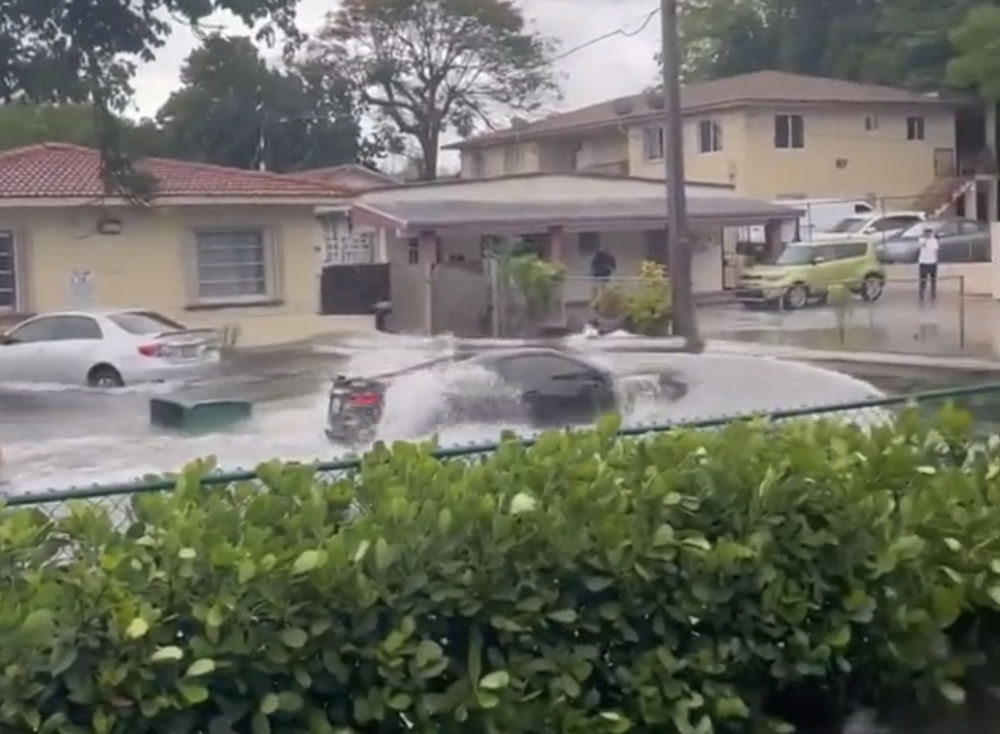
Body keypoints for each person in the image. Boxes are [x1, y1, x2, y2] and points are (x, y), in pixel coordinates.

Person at [917, 225, 939, 303]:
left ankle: (933, 294)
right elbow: (921, 246)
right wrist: (925, 239)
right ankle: (921, 295)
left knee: (933, 280)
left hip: (932, 262)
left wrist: (936, 260)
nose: (928, 234)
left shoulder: (934, 240)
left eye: (929, 232)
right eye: (926, 232)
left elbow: (936, 250)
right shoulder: (921, 240)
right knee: (923, 280)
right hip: (923, 262)